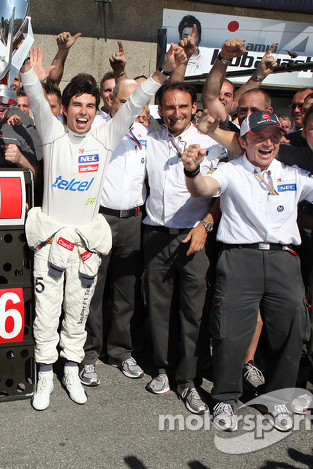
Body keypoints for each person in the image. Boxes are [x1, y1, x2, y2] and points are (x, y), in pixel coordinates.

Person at [183, 106, 313, 433]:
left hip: (284, 261)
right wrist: (193, 171)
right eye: (259, 137)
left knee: (290, 334)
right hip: (240, 259)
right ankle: (225, 395)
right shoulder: (231, 171)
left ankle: (278, 398)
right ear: (244, 140)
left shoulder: (292, 174)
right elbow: (202, 189)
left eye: (274, 137)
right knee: (229, 332)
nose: (267, 143)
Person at [21, 43, 186, 410]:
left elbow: (132, 105)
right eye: (76, 104)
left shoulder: (105, 137)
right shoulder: (52, 133)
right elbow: (34, 97)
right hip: (50, 243)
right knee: (46, 314)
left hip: (85, 246)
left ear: (98, 111)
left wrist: (161, 73)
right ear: (64, 109)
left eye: (90, 106)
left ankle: (71, 369)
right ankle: (45, 376)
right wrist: (29, 72)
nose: (82, 112)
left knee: (78, 313)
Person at [142, 80, 225, 415]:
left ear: (194, 108)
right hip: (154, 234)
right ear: (160, 109)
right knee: (158, 308)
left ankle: (188, 379)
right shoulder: (149, 138)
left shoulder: (210, 144)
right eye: (169, 107)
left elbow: (222, 196)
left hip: (194, 236)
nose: (175, 113)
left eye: (182, 106)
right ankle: (162, 369)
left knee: (192, 310)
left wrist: (206, 224)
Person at [80, 78, 150, 387]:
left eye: (136, 101)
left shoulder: (147, 136)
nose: (129, 107)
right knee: (93, 289)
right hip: (101, 219)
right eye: (123, 101)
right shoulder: (96, 129)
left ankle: (120, 351)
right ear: (111, 103)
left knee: (125, 289)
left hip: (134, 221)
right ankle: (88, 354)